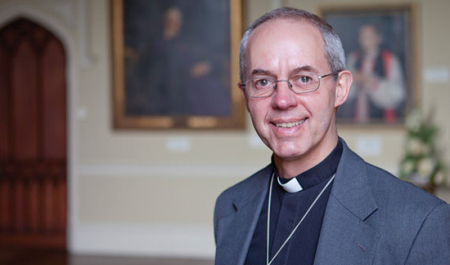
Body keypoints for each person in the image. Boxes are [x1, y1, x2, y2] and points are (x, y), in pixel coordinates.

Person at [214, 7, 450, 265]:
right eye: (262, 82)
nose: (282, 100)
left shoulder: (420, 222)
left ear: (340, 89)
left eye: (304, 78)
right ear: (245, 95)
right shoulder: (229, 206)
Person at [343, 24, 406, 123]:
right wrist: (353, 81)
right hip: (356, 118)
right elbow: (344, 93)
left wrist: (373, 82)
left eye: (369, 36)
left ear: (378, 38)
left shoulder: (390, 60)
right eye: (363, 37)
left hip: (382, 120)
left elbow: (398, 94)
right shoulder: (353, 59)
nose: (365, 40)